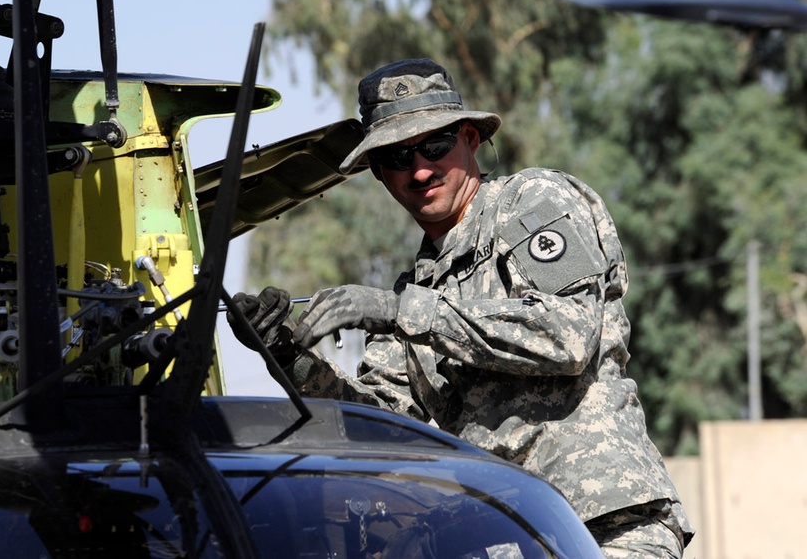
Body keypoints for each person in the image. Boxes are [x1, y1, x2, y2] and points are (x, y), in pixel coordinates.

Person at [229, 58, 694, 558]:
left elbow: (568, 337)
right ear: (379, 174)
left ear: (471, 139)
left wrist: (401, 311)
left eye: (434, 146)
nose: (420, 170)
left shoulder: (529, 203)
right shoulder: (418, 286)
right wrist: (283, 352)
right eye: (396, 157)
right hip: (507, 537)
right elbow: (379, 428)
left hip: (603, 524)